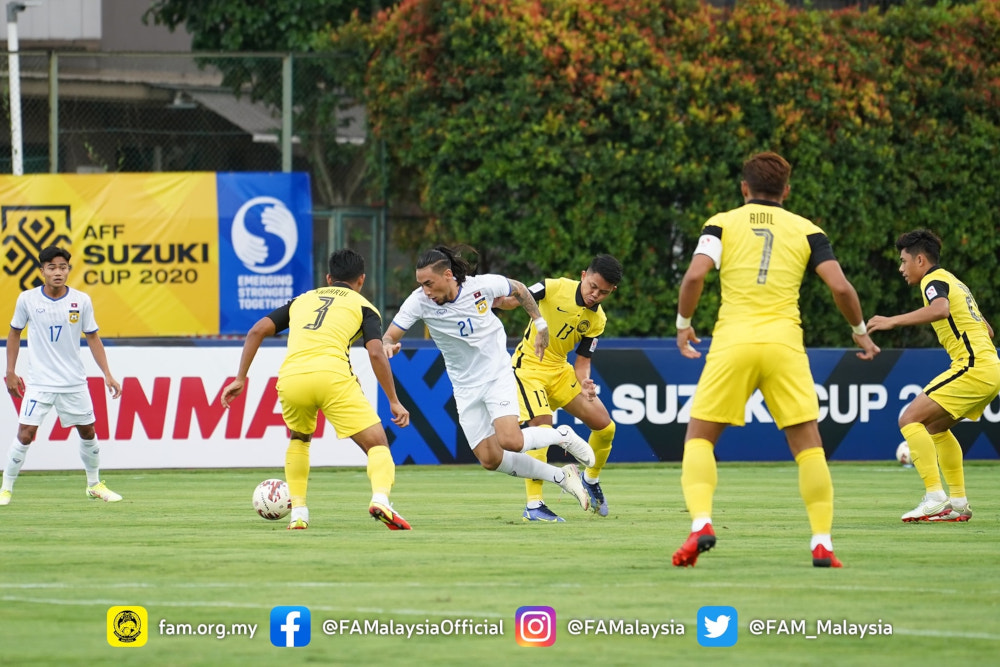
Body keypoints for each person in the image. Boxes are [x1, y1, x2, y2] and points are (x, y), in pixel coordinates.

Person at [672, 152, 880, 568]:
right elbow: (840, 287)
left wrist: (684, 324)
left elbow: (694, 276)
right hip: (785, 344)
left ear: (744, 188)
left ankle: (701, 524)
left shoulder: (722, 222)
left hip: (733, 342)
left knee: (699, 439)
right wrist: (860, 332)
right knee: (809, 447)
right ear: (786, 191)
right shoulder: (807, 230)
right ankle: (822, 542)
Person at [382, 245, 594, 512]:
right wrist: (389, 343)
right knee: (490, 459)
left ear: (448, 275)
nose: (425, 290)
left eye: (428, 283)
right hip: (465, 387)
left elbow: (518, 288)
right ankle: (561, 476)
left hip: (497, 374)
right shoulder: (419, 301)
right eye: (421, 284)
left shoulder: (481, 286)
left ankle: (561, 435)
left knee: (511, 441)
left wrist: (540, 325)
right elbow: (390, 334)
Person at [221, 248, 412, 531]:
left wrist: (240, 377)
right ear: (361, 280)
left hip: (292, 379)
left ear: (328, 277)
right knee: (377, 444)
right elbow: (375, 353)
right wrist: (394, 400)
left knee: (299, 438)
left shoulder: (302, 300)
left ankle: (298, 512)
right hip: (332, 377)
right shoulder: (364, 307)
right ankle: (381, 499)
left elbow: (256, 331)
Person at [867, 229, 1000, 523]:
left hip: (973, 366)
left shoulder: (932, 280)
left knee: (908, 419)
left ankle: (934, 497)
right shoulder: (957, 283)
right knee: (936, 428)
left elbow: (940, 310)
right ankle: (959, 503)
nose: (901, 268)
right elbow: (988, 330)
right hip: (990, 367)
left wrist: (893, 321)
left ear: (920, 259)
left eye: (903, 261)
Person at [494, 254, 623, 521]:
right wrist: (498, 302)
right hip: (529, 367)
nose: (595, 295)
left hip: (561, 371)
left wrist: (585, 381)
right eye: (592, 287)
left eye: (603, 292)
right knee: (541, 427)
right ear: (583, 275)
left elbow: (583, 361)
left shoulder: (598, 320)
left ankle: (591, 479)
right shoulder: (553, 287)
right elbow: (517, 298)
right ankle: (534, 505)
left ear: (612, 291)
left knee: (605, 426)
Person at [2, 246, 123, 506]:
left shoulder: (81, 300)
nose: (58, 272)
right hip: (39, 382)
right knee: (25, 434)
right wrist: (10, 371)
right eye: (52, 267)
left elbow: (93, 337)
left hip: (73, 382)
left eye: (63, 267)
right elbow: (14, 333)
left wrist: (107, 374)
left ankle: (94, 485)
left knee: (88, 431)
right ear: (42, 271)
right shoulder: (27, 299)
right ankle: (6, 488)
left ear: (69, 269)